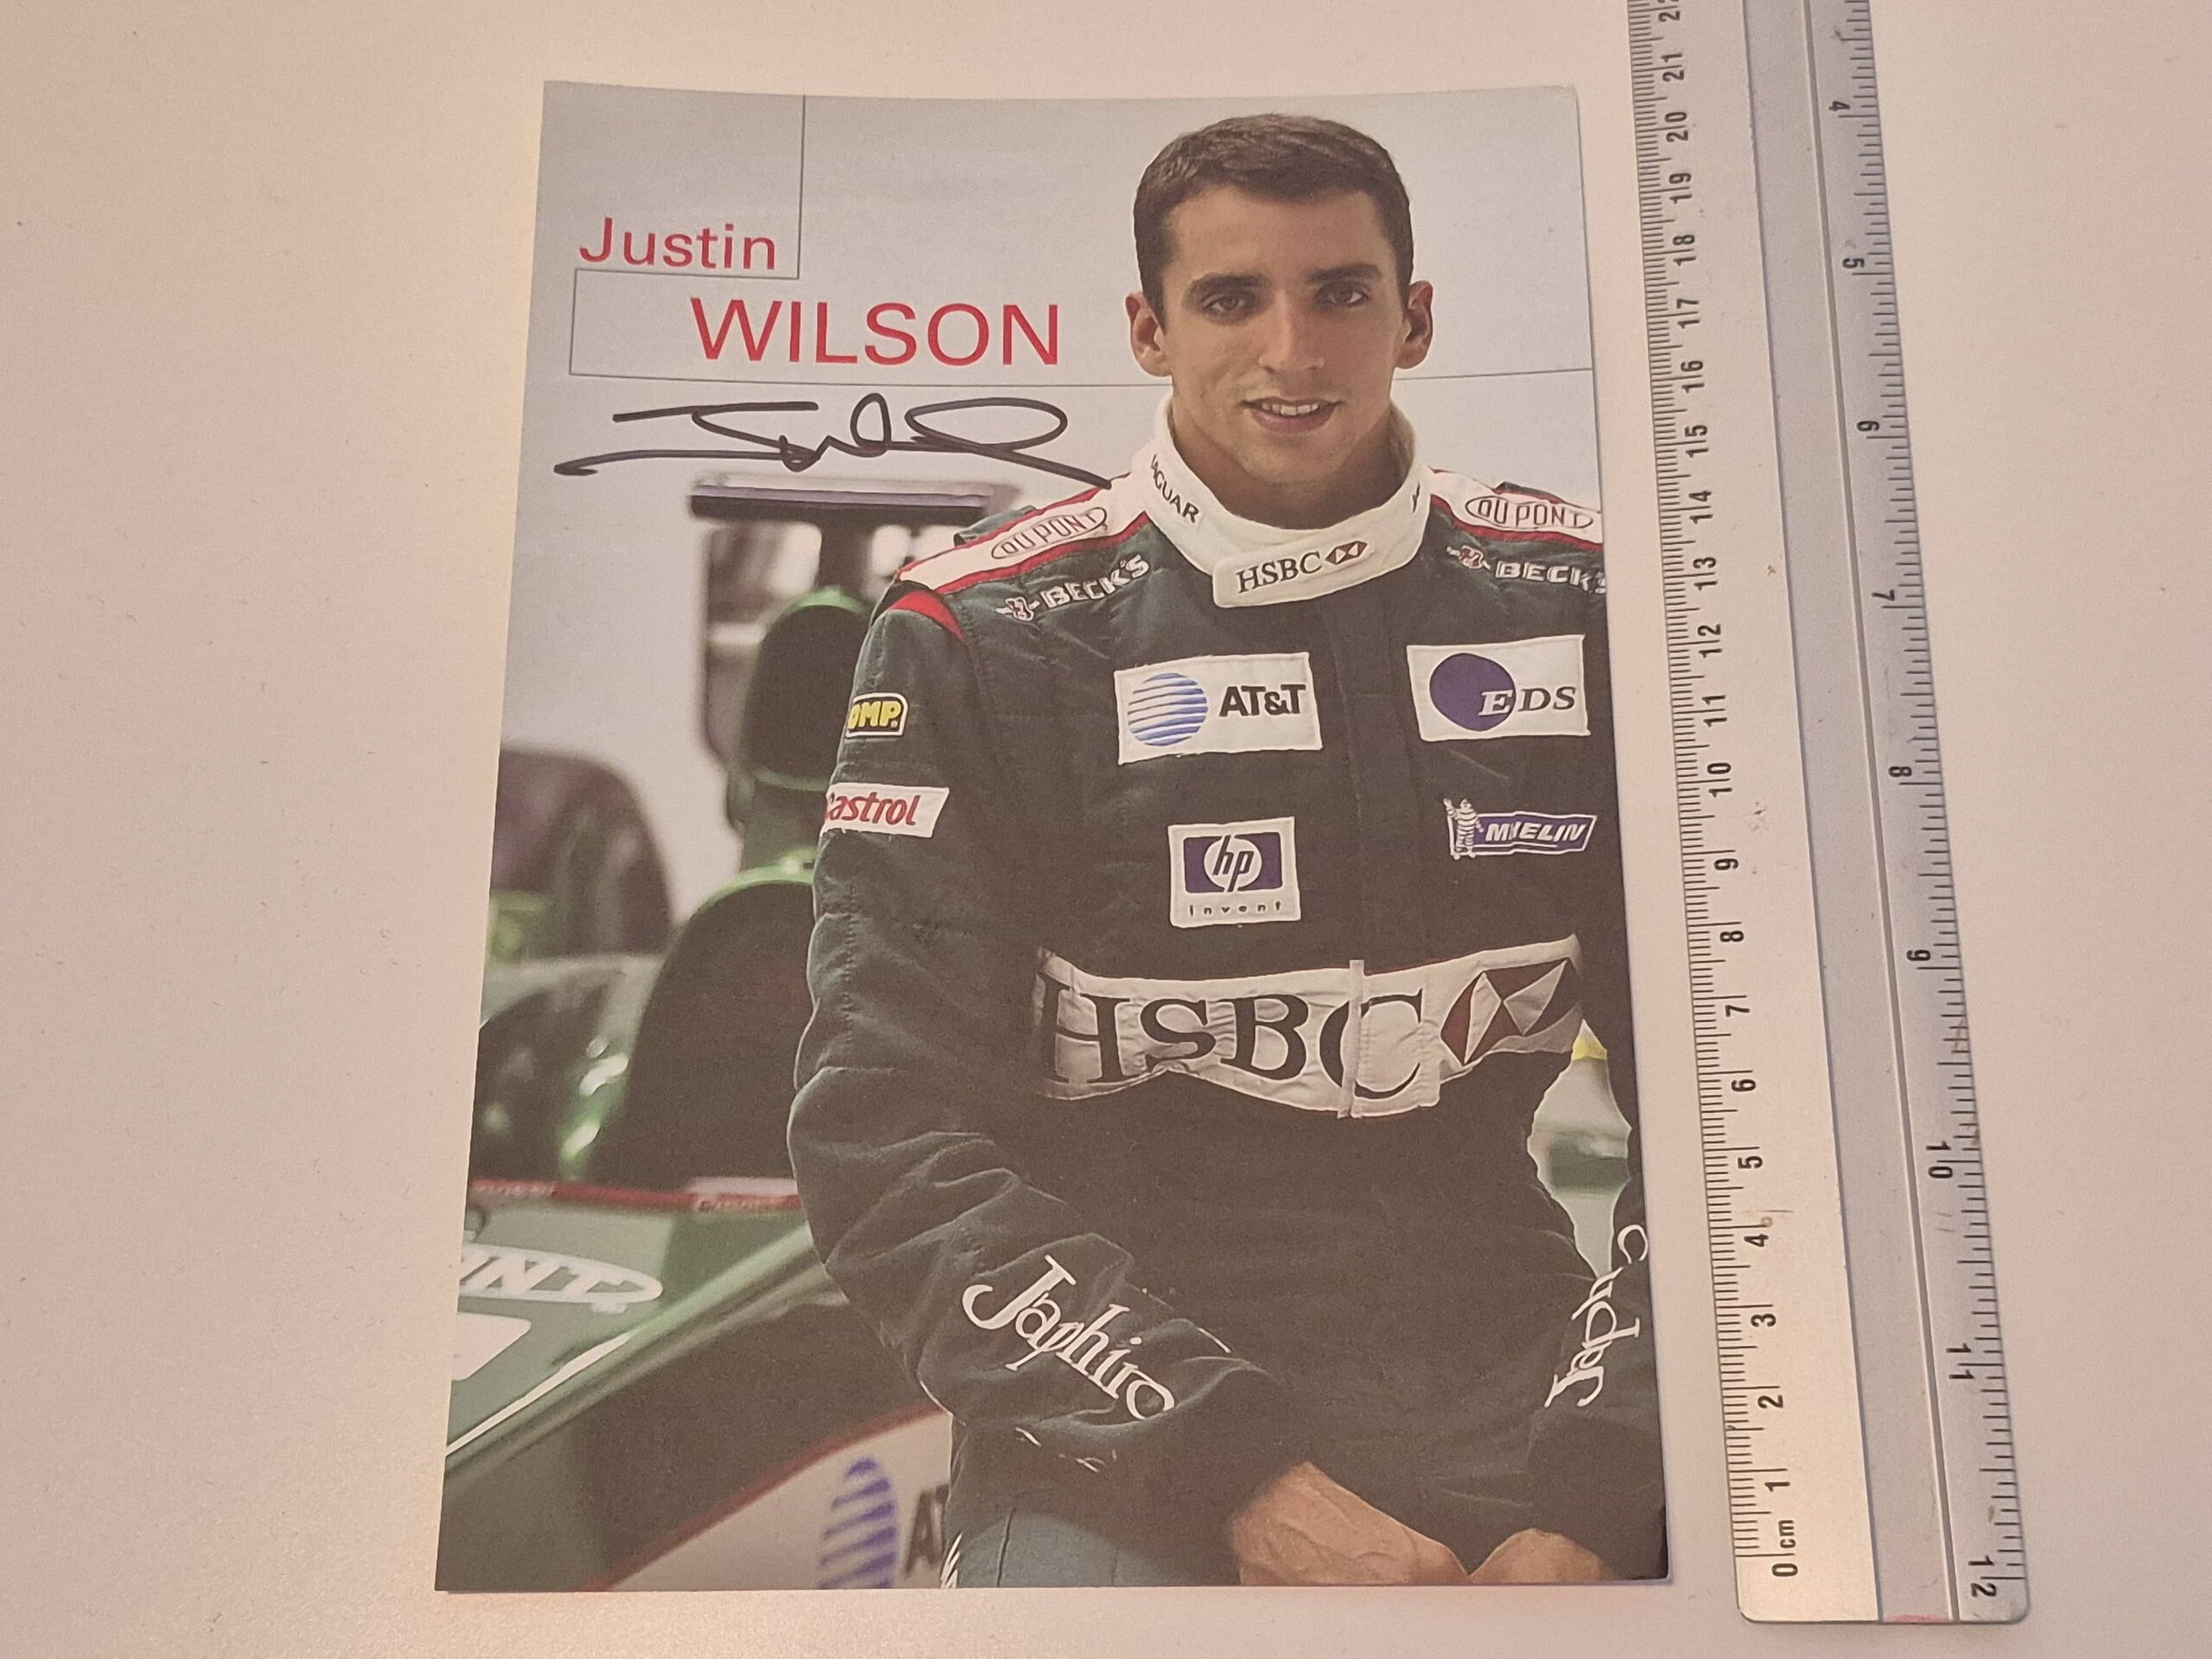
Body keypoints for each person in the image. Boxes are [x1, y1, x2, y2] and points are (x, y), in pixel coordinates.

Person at [789, 113, 1662, 1588]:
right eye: (1230, 298)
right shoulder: (979, 635)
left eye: (1340, 293)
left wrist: (1605, 1493)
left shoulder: (1581, 603)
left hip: (1516, 1377)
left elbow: (1734, 1110)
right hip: (1117, 1405)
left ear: (1415, 317)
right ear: (1150, 328)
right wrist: (1231, 1473)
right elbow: (881, 1135)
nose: (1292, 350)